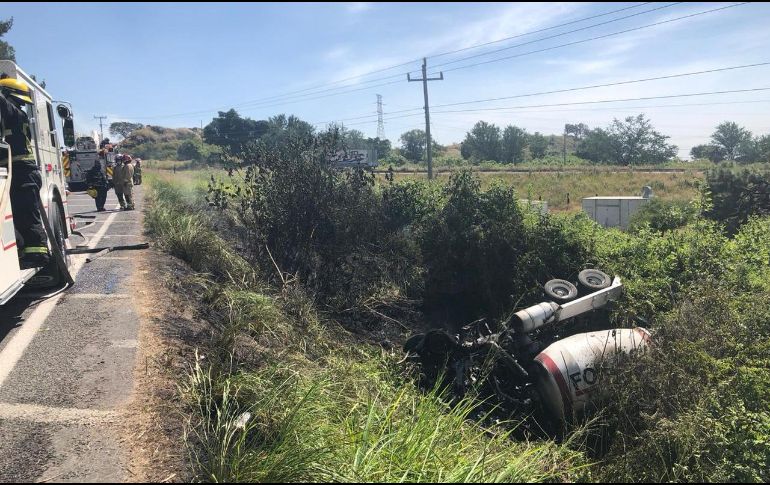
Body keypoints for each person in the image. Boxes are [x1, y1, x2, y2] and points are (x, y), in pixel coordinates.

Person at [0, 77, 50, 269]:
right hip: (24, 173)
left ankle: (38, 255)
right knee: (24, 216)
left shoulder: (13, 112)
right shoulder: (17, 116)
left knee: (27, 216)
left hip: (23, 173)